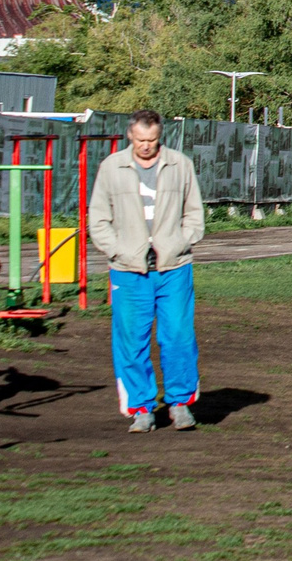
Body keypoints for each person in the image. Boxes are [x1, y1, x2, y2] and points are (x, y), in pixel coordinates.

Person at [88, 110, 207, 433]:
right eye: (140, 140)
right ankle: (141, 407)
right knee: (131, 340)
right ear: (130, 136)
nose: (146, 146)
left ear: (160, 137)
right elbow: (98, 219)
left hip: (174, 267)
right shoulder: (111, 168)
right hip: (128, 270)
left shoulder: (180, 164)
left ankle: (180, 404)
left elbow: (195, 214)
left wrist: (181, 242)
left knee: (179, 336)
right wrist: (118, 250)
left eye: (152, 141)